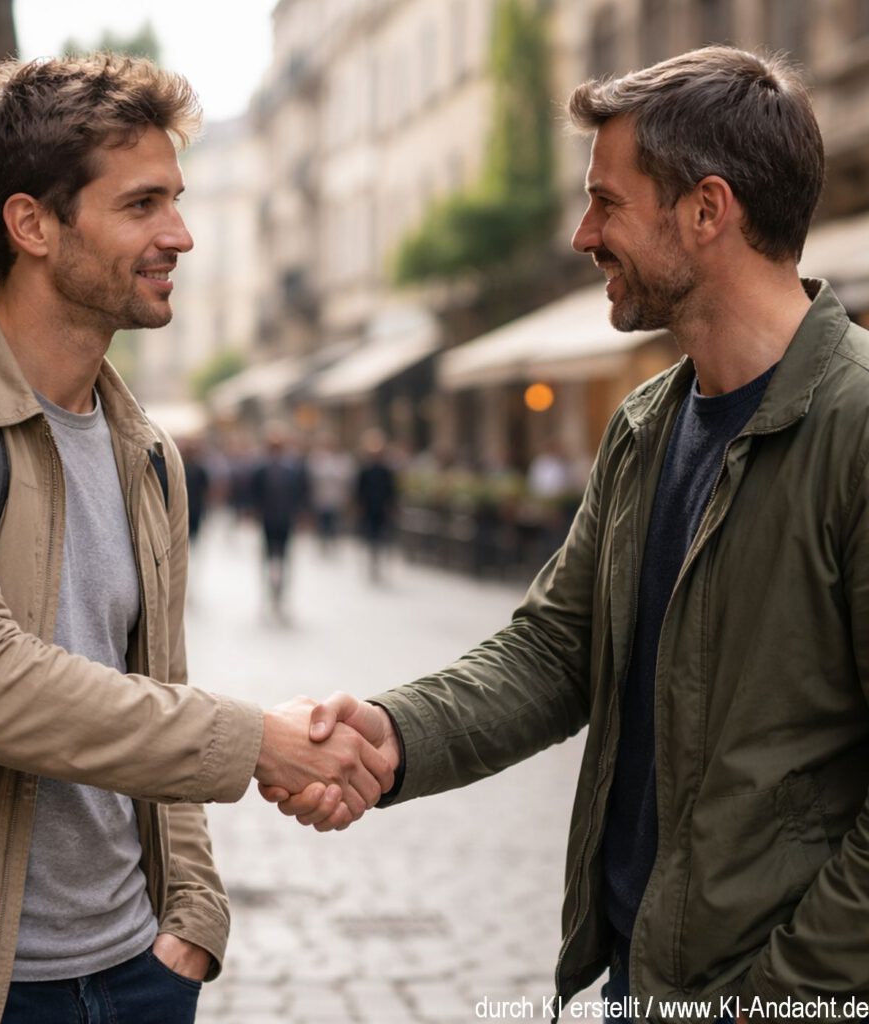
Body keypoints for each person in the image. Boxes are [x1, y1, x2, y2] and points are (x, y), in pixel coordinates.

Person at [265, 47, 869, 1017]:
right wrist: (390, 735)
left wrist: (780, 995)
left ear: (706, 211)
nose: (581, 232)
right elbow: (554, 650)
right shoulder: (646, 428)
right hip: (638, 975)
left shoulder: (854, 425)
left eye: (607, 201)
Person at [0, 54, 392, 1024]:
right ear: (33, 224)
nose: (179, 235)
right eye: (142, 205)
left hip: (137, 973)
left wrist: (191, 915)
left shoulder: (148, 451)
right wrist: (256, 742)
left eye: (177, 200)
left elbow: (157, 682)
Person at [248, 423, 309, 613]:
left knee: (284, 556)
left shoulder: (293, 470)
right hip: (268, 519)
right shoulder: (261, 470)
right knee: (267, 556)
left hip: (285, 519)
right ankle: (269, 588)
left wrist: (301, 514)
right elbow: (254, 493)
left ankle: (281, 590)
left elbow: (300, 493)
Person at [354, 428, 397, 581]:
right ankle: (373, 557)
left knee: (381, 535)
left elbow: (391, 489)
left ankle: (378, 558)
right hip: (369, 507)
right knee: (370, 535)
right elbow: (359, 489)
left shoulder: (386, 470)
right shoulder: (365, 469)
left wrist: (391, 505)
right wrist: (359, 505)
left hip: (381, 508)